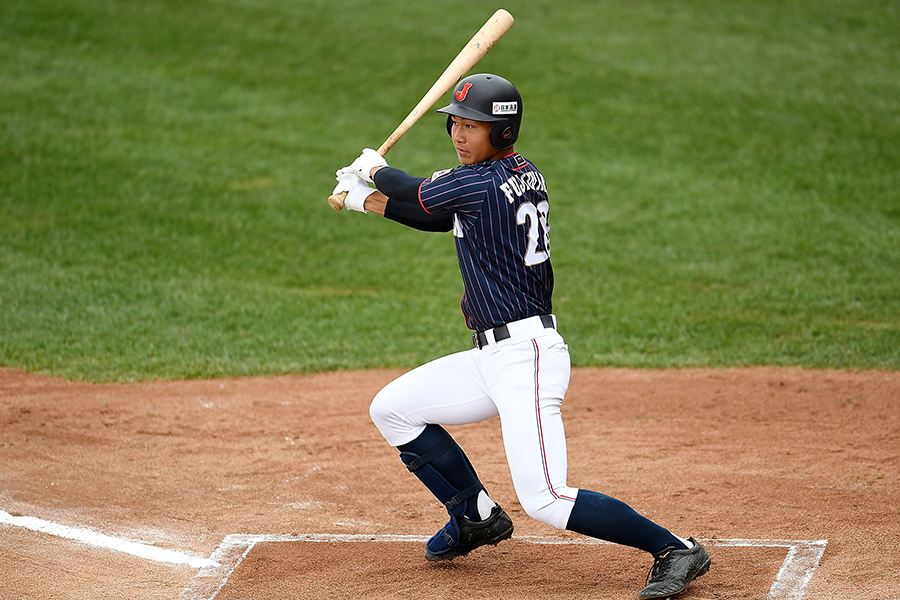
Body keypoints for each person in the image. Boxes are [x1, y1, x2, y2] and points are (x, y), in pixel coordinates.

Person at [331, 73, 710, 599]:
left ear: (502, 132)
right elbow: (436, 218)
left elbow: (416, 192)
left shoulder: (479, 183)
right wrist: (360, 200)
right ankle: (474, 514)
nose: (460, 136)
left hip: (526, 358)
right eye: (455, 125)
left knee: (546, 498)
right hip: (492, 357)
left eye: (472, 126)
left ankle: (675, 549)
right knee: (392, 408)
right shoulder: (518, 174)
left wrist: (372, 170)